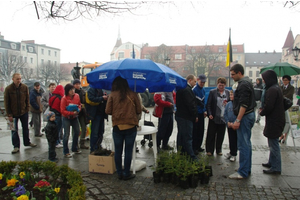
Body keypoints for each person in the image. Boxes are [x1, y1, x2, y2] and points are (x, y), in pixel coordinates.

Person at [105, 76, 141, 180]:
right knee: (128, 151)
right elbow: (139, 110)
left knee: (118, 150)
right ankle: (126, 173)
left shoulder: (112, 95)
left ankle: (119, 172)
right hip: (131, 126)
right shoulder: (133, 94)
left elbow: (107, 111)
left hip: (117, 127)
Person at [229, 64, 256, 179]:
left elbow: (244, 104)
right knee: (247, 143)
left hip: (245, 117)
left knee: (243, 144)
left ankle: (243, 172)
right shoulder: (247, 82)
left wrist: (238, 120)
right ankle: (246, 168)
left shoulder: (243, 84)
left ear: (240, 73)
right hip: (248, 115)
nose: (232, 77)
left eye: (233, 74)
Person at [259, 70, 285, 175]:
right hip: (276, 119)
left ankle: (276, 167)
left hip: (274, 120)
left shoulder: (272, 90)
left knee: (274, 144)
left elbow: (269, 106)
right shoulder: (276, 88)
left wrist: (262, 112)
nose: (263, 81)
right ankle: (271, 162)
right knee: (272, 142)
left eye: (264, 79)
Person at [4, 73, 37, 154]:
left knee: (26, 128)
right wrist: (9, 115)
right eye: (17, 79)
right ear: (13, 79)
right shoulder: (8, 89)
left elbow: (27, 99)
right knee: (13, 130)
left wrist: (27, 109)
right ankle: (16, 146)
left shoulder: (24, 87)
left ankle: (27, 142)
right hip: (12, 113)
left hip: (23, 112)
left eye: (20, 78)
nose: (19, 80)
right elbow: (6, 103)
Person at [175, 74, 198, 161]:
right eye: (195, 81)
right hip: (186, 117)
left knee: (181, 135)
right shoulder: (187, 90)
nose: (195, 83)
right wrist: (195, 115)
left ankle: (181, 153)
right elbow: (191, 105)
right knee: (188, 137)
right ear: (189, 80)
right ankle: (191, 157)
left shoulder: (181, 88)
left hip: (180, 116)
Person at [205, 77, 230, 156]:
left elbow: (230, 104)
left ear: (225, 85)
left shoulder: (228, 93)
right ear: (217, 84)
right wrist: (210, 114)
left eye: (222, 85)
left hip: (223, 118)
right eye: (219, 85)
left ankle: (218, 149)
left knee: (221, 135)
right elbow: (208, 104)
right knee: (211, 134)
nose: (221, 87)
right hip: (214, 116)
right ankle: (209, 150)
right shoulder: (212, 92)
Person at [61, 83, 82, 157]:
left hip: (75, 117)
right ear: (67, 91)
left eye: (73, 89)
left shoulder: (77, 96)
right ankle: (66, 151)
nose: (73, 91)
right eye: (71, 90)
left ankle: (74, 148)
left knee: (77, 131)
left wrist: (79, 109)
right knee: (66, 134)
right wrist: (71, 113)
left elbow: (79, 104)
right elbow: (62, 110)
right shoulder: (64, 98)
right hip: (66, 117)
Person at [85, 86, 108, 153]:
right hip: (95, 114)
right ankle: (93, 148)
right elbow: (91, 98)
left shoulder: (102, 88)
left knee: (101, 131)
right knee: (95, 132)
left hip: (102, 113)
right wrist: (102, 98)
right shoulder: (92, 89)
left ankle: (98, 145)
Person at [192, 74, 207, 155]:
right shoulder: (194, 90)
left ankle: (199, 146)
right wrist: (195, 115)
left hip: (201, 113)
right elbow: (193, 104)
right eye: (201, 82)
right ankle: (194, 148)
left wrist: (204, 111)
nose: (202, 83)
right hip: (196, 113)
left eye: (204, 82)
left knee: (201, 131)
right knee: (195, 132)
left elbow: (203, 102)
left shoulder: (203, 90)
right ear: (198, 80)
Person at [73, 79, 89, 149]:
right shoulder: (72, 92)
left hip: (82, 112)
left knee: (84, 127)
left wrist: (84, 106)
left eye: (78, 84)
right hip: (74, 113)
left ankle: (82, 142)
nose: (78, 85)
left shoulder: (83, 92)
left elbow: (86, 101)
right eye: (76, 84)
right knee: (75, 129)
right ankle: (75, 142)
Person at [279, 75, 295, 143]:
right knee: (281, 121)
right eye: (283, 80)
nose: (284, 81)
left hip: (288, 106)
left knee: (287, 122)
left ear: (289, 81)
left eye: (285, 80)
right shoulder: (280, 87)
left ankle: (285, 136)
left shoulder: (291, 88)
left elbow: (289, 95)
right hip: (281, 106)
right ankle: (281, 135)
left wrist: (282, 96)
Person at [223, 90, 237, 162]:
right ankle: (231, 152)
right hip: (229, 125)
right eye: (230, 95)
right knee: (231, 139)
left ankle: (234, 154)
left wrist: (234, 123)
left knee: (235, 140)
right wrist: (227, 122)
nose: (231, 96)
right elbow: (225, 113)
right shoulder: (228, 104)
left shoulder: (238, 104)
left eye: (232, 95)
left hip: (235, 125)